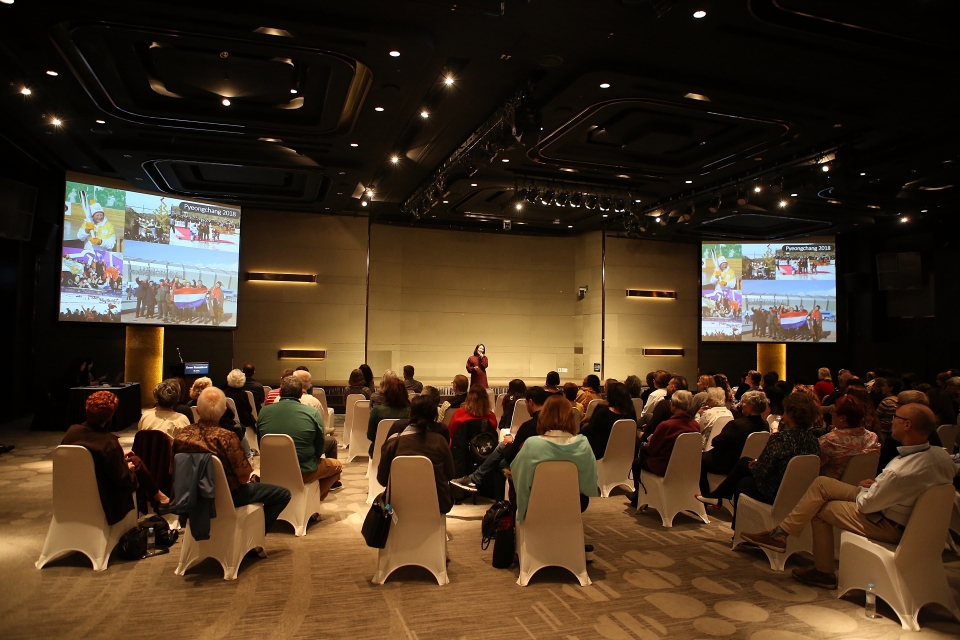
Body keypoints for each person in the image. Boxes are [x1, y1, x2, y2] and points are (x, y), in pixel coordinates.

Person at [741, 403, 955, 589]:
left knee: (820, 509)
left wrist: (872, 489)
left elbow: (867, 505)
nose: (892, 421)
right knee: (821, 485)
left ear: (907, 425)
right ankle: (780, 533)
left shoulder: (899, 471)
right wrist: (879, 485)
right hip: (906, 513)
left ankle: (823, 572)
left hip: (888, 522)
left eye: (896, 418)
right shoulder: (941, 457)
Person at [697, 391, 822, 527]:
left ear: (791, 415)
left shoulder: (781, 438)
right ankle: (719, 497)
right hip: (798, 488)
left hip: (775, 490)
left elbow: (763, 472)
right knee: (744, 461)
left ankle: (740, 529)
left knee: (742, 482)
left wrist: (756, 465)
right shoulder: (813, 440)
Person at [175, 387, 291, 533]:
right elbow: (243, 478)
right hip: (228, 496)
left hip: (190, 496)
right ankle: (255, 535)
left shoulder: (181, 436)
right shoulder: (226, 437)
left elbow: (175, 470)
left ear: (197, 410)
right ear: (224, 410)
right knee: (282, 494)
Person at [65, 391, 168, 523]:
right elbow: (123, 480)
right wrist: (128, 468)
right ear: (110, 416)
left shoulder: (72, 432)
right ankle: (160, 497)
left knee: (134, 459)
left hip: (76, 485)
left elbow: (86, 456)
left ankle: (160, 496)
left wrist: (119, 457)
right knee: (135, 464)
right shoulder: (109, 443)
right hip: (104, 493)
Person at [510, 395, 598, 521]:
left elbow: (520, 479)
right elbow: (590, 483)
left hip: (536, 503)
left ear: (543, 416)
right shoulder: (583, 444)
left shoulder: (532, 445)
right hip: (575, 503)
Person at [257, 376, 342, 500]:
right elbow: (319, 445)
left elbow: (261, 443)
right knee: (337, 466)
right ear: (301, 394)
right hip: (304, 470)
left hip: (271, 470)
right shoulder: (312, 412)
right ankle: (311, 501)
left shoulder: (263, 412)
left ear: (280, 392)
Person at [378, 395, 455, 513]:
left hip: (395, 507)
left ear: (410, 414)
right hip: (438, 505)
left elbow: (382, 480)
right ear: (434, 416)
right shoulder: (440, 442)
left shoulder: (393, 442)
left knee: (381, 502)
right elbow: (450, 475)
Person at [628, 390, 700, 507]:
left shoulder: (666, 425)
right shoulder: (695, 425)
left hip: (664, 466)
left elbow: (652, 449)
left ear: (674, 405)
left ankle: (638, 496)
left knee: (637, 463)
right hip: (686, 467)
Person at [700, 390, 770, 494]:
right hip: (749, 463)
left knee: (698, 459)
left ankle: (706, 495)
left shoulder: (737, 425)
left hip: (728, 463)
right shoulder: (765, 424)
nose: (741, 404)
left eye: (744, 402)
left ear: (751, 406)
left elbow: (716, 442)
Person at [818, 395, 880, 480]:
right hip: (862, 489)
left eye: (833, 411)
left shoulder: (829, 441)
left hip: (830, 490)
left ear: (842, 417)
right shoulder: (872, 437)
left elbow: (811, 468)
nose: (831, 413)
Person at [581, 382, 636, 459]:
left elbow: (589, 430)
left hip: (599, 455)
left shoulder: (603, 411)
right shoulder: (631, 413)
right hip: (625, 456)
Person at [367, 377, 411, 455]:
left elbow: (370, 435)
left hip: (378, 451)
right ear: (405, 393)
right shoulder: (411, 411)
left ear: (387, 393)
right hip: (405, 451)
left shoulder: (376, 410)